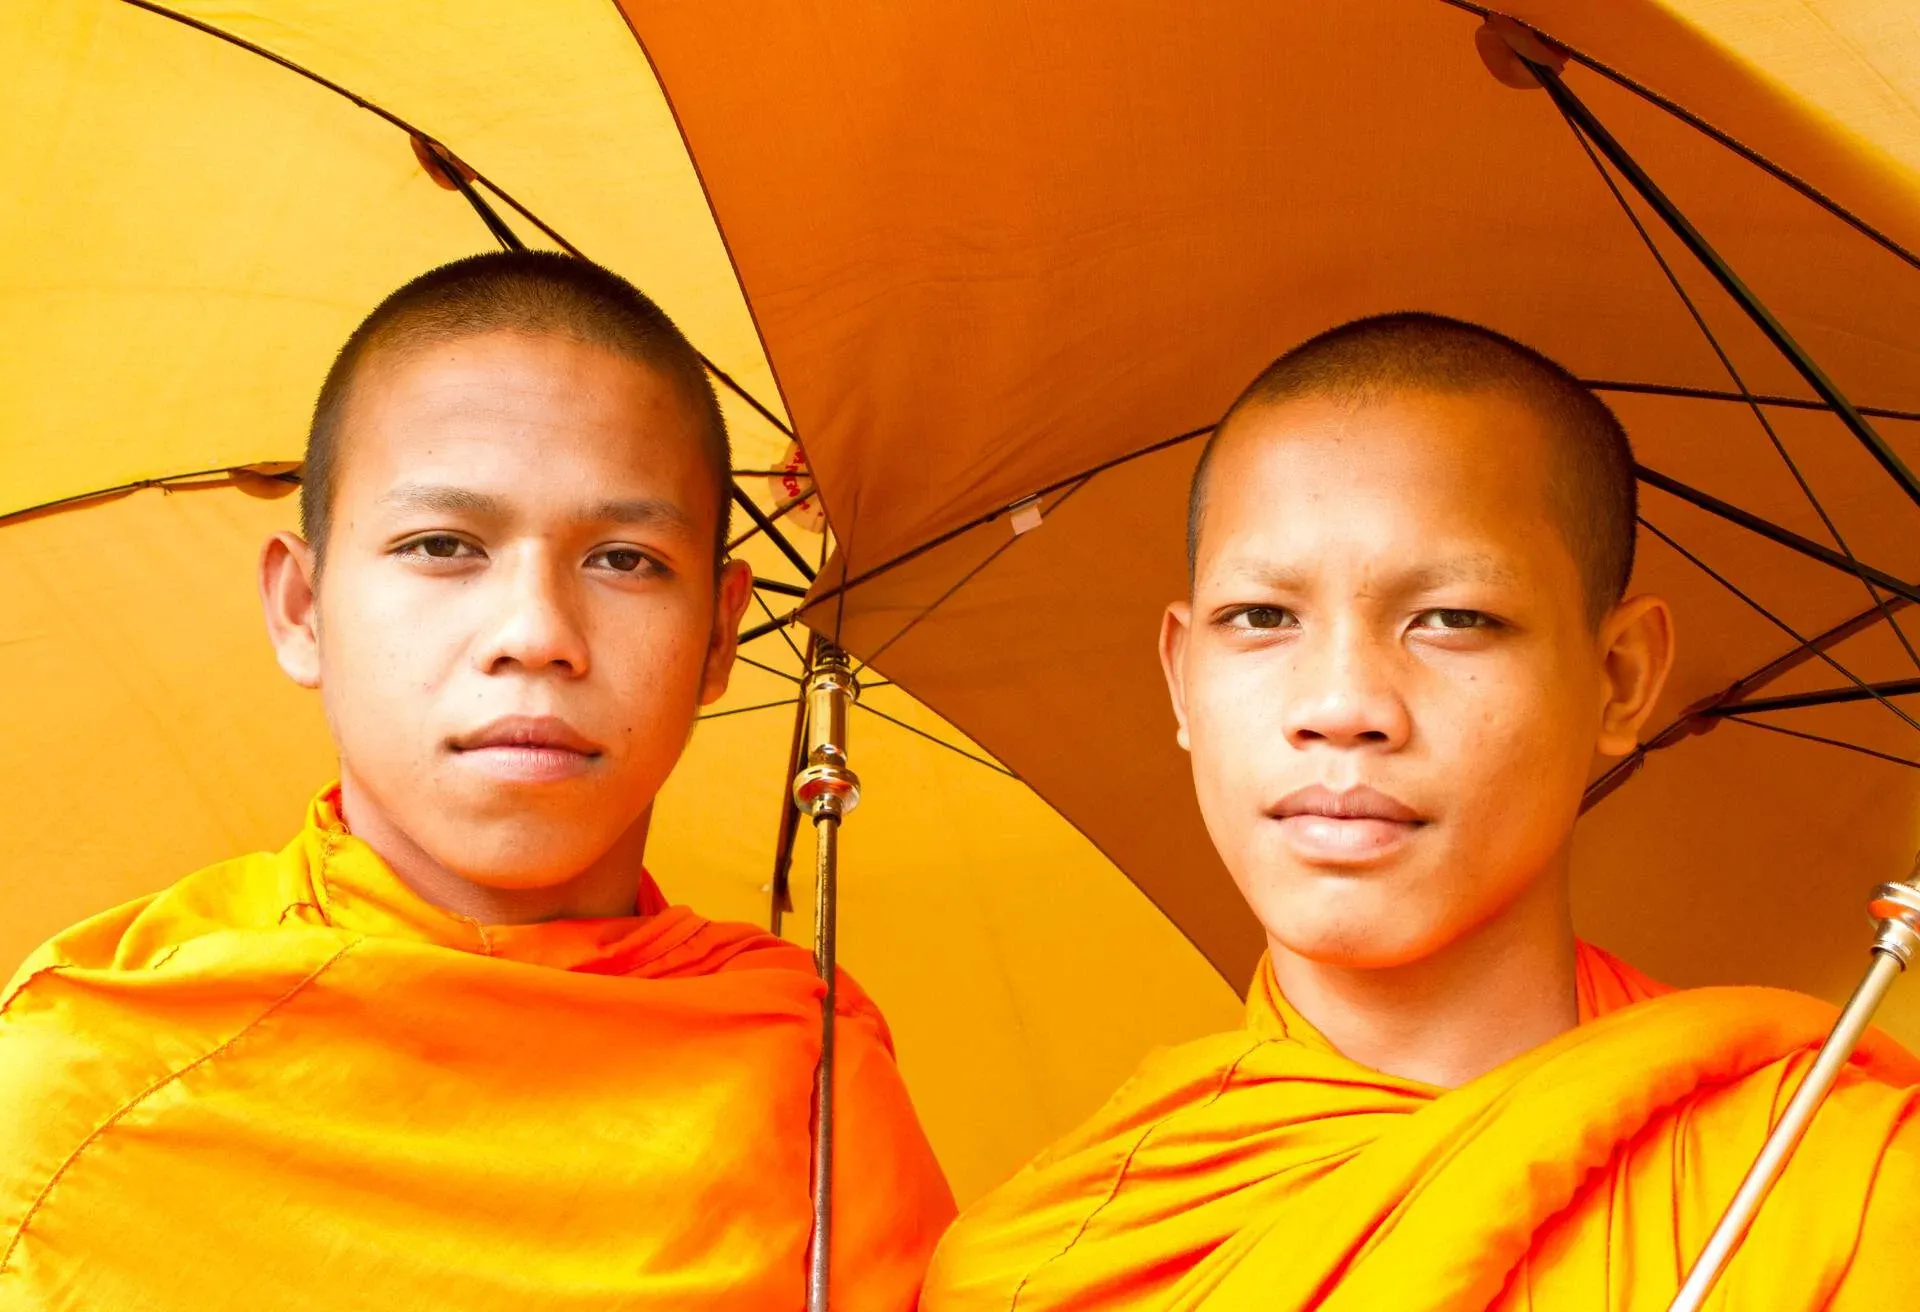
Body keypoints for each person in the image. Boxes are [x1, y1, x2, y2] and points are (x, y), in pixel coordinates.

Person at [0, 251, 954, 1310]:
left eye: (625, 559)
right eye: (444, 543)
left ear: (720, 633)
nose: (536, 633)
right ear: (302, 608)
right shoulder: (85, 1090)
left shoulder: (812, 1096)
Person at [920, 313, 1920, 1310]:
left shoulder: (1838, 1185)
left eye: (1453, 618)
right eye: (1262, 618)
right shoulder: (1037, 1267)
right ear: (1182, 680)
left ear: (1618, 678)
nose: (1340, 706)